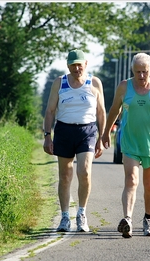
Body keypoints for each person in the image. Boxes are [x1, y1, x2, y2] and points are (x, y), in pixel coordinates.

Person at [101, 53, 150, 238]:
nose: (141, 76)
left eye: (145, 72)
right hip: (130, 141)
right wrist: (104, 133)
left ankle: (148, 219)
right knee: (131, 180)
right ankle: (127, 219)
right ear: (132, 71)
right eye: (138, 72)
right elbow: (114, 110)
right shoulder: (124, 86)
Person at [43, 49, 106, 232]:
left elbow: (101, 112)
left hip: (87, 130)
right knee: (65, 175)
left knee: (85, 171)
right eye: (73, 65)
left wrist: (102, 137)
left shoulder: (94, 82)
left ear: (86, 64)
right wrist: (48, 136)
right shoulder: (60, 83)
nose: (77, 68)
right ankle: (64, 217)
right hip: (64, 129)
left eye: (80, 64)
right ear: (68, 66)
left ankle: (81, 213)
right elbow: (50, 111)